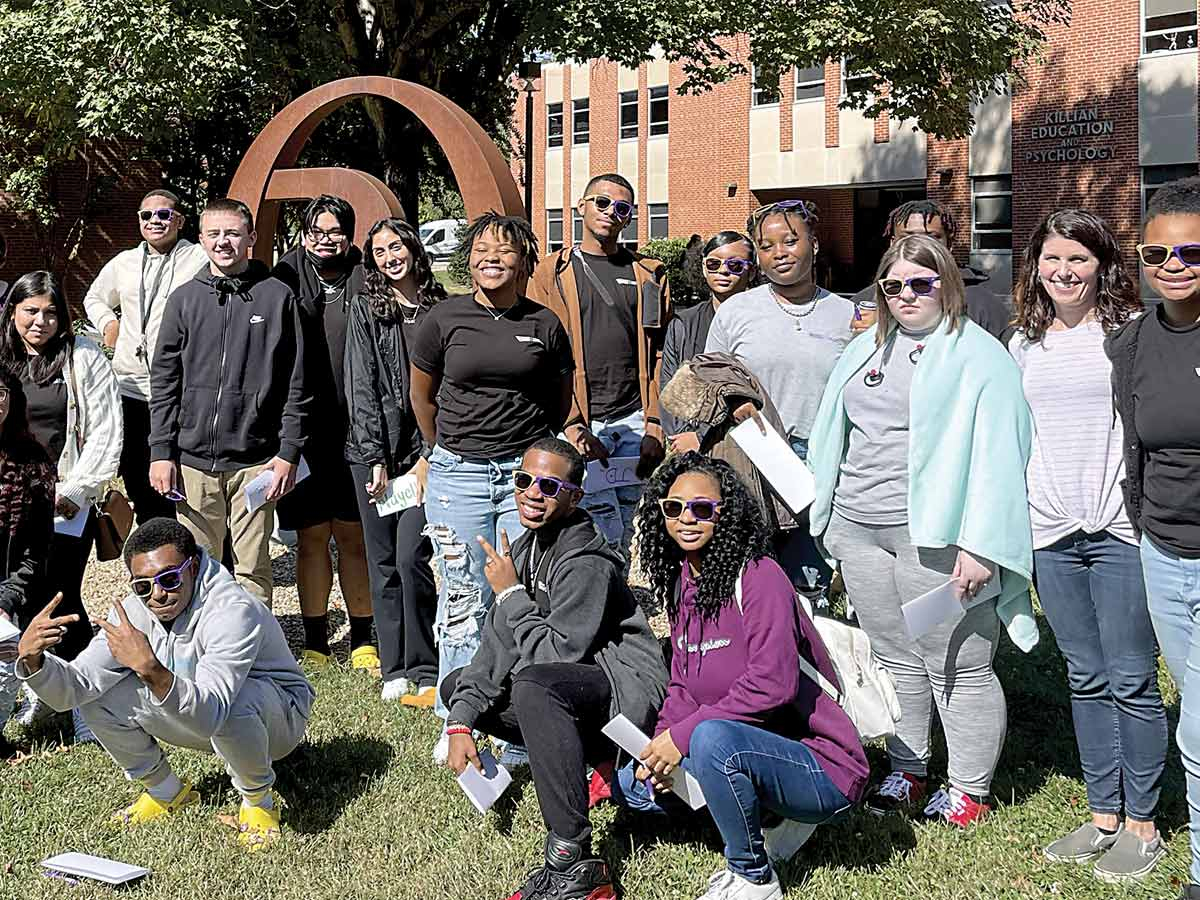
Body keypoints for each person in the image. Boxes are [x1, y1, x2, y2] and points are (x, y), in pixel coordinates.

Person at [807, 233, 1035, 827]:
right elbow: (838, 433)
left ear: (947, 285)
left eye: (921, 283)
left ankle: (968, 789)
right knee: (892, 655)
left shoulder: (979, 356)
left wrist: (982, 544)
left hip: (934, 541)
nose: (906, 295)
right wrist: (828, 517)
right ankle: (908, 770)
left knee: (953, 658)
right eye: (893, 285)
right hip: (861, 530)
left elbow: (1003, 456)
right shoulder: (866, 349)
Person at [615, 453, 868, 900]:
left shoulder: (758, 576)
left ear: (725, 512)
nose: (686, 519)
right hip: (745, 748)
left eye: (702, 509)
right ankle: (772, 819)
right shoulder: (683, 583)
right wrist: (658, 744)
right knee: (633, 788)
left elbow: (774, 683)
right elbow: (681, 686)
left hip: (821, 764)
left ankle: (754, 875)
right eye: (673, 508)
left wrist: (685, 737)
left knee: (712, 738)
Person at [1009, 209, 1167, 881]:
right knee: (1085, 674)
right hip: (1050, 532)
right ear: (1035, 265)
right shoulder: (1022, 341)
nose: (1064, 271)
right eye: (1052, 258)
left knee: (1133, 677)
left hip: (1117, 530)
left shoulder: (1126, 335)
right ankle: (1104, 813)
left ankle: (1144, 825)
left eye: (1078, 258)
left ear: (1102, 264)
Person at [441, 437, 667, 900]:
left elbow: (557, 656)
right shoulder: (527, 548)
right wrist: (461, 722)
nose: (532, 493)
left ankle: (574, 862)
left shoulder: (586, 561)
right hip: (576, 690)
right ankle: (591, 756)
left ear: (575, 496)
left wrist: (508, 594)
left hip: (625, 692)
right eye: (524, 480)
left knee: (534, 685)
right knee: (458, 685)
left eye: (549, 485)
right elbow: (499, 643)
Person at [14, 518, 314, 849]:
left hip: (278, 719)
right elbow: (76, 687)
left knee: (235, 701)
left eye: (169, 579)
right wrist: (33, 660)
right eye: (143, 586)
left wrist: (150, 669)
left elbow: (213, 711)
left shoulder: (232, 611)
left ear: (194, 566)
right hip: (202, 715)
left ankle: (258, 802)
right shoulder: (132, 611)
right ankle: (166, 792)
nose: (157, 594)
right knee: (96, 695)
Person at [410, 212, 574, 733]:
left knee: (520, 588)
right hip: (458, 474)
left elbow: (558, 399)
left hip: (524, 479)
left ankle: (516, 709)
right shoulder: (443, 318)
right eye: (481, 248)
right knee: (463, 592)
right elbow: (422, 395)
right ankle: (456, 717)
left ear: (525, 259)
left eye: (504, 250)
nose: (491, 258)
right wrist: (442, 451)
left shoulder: (544, 323)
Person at [1106, 176, 1200, 900]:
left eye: (1192, 248)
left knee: (1198, 726)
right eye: (1157, 249)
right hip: (1164, 553)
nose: (1173, 262)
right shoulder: (1131, 344)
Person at [149, 197, 310, 606]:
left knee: (253, 567)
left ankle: (257, 656)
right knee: (198, 567)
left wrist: (289, 451)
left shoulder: (277, 298)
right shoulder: (184, 299)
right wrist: (161, 451)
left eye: (233, 233)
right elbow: (165, 381)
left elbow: (296, 381)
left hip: (257, 460)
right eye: (215, 234)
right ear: (201, 239)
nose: (224, 242)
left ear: (251, 238)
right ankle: (201, 649)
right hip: (193, 462)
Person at [704, 200, 856, 597]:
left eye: (790, 241)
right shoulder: (736, 311)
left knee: (808, 580)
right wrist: (735, 403)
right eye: (767, 246)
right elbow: (707, 381)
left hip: (821, 460)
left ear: (815, 244)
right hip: (753, 456)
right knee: (748, 573)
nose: (779, 253)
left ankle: (811, 648)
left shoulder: (846, 314)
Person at [0, 271, 122, 738]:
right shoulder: (3, 359)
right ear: (13, 312)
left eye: (51, 312)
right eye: (31, 311)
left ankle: (88, 705)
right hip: (10, 502)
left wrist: (76, 490)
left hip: (63, 504)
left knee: (60, 598)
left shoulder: (83, 357)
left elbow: (106, 429)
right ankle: (36, 693)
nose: (41, 321)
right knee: (17, 597)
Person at [528, 172, 670, 556]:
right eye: (602, 203)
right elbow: (537, 354)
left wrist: (655, 422)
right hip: (581, 423)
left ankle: (614, 602)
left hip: (633, 420)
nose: (611, 212)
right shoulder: (552, 272)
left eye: (622, 208)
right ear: (581, 207)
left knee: (626, 525)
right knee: (587, 523)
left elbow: (660, 353)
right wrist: (571, 423)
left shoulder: (649, 275)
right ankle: (590, 599)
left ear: (630, 217)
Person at [272, 195, 375, 671]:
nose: (325, 239)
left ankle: (362, 638)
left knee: (354, 538)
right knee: (312, 538)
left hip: (357, 430)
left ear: (350, 234)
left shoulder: (368, 273)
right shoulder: (284, 277)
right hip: (303, 431)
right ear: (305, 232)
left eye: (335, 231)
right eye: (317, 231)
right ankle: (314, 640)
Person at [345, 218, 444, 703]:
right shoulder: (366, 309)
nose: (389, 257)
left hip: (423, 456)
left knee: (412, 557)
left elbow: (450, 389)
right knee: (382, 561)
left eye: (396, 246)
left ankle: (426, 664)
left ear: (413, 248)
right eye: (379, 251)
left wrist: (429, 455)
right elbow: (360, 384)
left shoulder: (441, 306)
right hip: (373, 454)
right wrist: (374, 457)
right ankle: (394, 667)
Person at [83, 188, 209, 524]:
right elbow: (94, 297)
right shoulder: (124, 262)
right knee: (141, 480)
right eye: (147, 215)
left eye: (164, 214)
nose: (155, 220)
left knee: (184, 481)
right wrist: (109, 322)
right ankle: (154, 559)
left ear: (180, 221)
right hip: (131, 390)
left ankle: (198, 559)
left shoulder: (198, 259)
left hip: (181, 391)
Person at [849, 199, 1011, 341]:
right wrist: (868, 333)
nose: (920, 245)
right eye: (908, 237)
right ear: (892, 244)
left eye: (931, 237)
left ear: (949, 245)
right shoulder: (863, 302)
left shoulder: (982, 304)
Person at [0, 371, 57, 754]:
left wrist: (7, 596)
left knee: (5, 666)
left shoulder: (33, 461)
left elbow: (36, 547)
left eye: (1, 393)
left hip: (5, 590)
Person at [661, 231, 757, 450]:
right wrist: (683, 438)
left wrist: (705, 435)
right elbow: (669, 391)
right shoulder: (683, 324)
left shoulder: (762, 323)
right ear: (703, 269)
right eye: (714, 264)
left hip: (746, 441)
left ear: (751, 272)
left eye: (735, 265)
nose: (723, 271)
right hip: (688, 445)